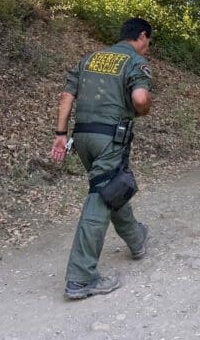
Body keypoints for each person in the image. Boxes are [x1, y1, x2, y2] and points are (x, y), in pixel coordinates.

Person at [50, 17, 153, 300]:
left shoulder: (90, 59)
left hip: (82, 137)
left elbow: (66, 96)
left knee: (109, 187)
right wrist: (144, 108)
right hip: (110, 139)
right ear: (141, 36)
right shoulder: (135, 62)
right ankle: (81, 278)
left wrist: (61, 133)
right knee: (100, 196)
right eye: (148, 42)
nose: (147, 47)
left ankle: (137, 239)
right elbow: (140, 99)